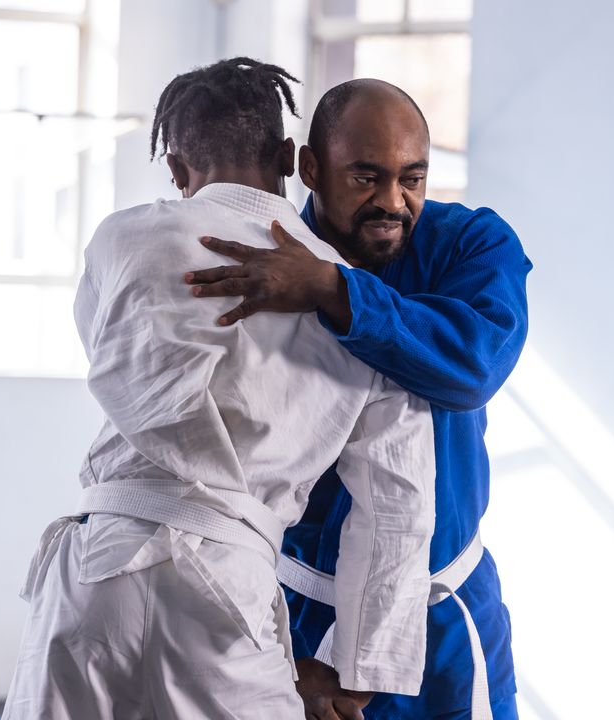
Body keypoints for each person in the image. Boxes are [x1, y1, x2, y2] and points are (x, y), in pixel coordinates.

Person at [1, 61, 437, 720]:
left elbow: (112, 353)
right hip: (224, 588)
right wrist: (356, 668)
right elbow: (398, 503)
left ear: (176, 168)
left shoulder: (122, 239)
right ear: (292, 159)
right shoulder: (359, 302)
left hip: (95, 571)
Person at [184, 79, 533, 719]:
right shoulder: (258, 260)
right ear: (310, 168)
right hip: (301, 613)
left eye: (413, 179)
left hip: (445, 613)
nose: (392, 202)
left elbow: (474, 365)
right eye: (366, 177)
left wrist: (330, 290)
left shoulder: (471, 245)